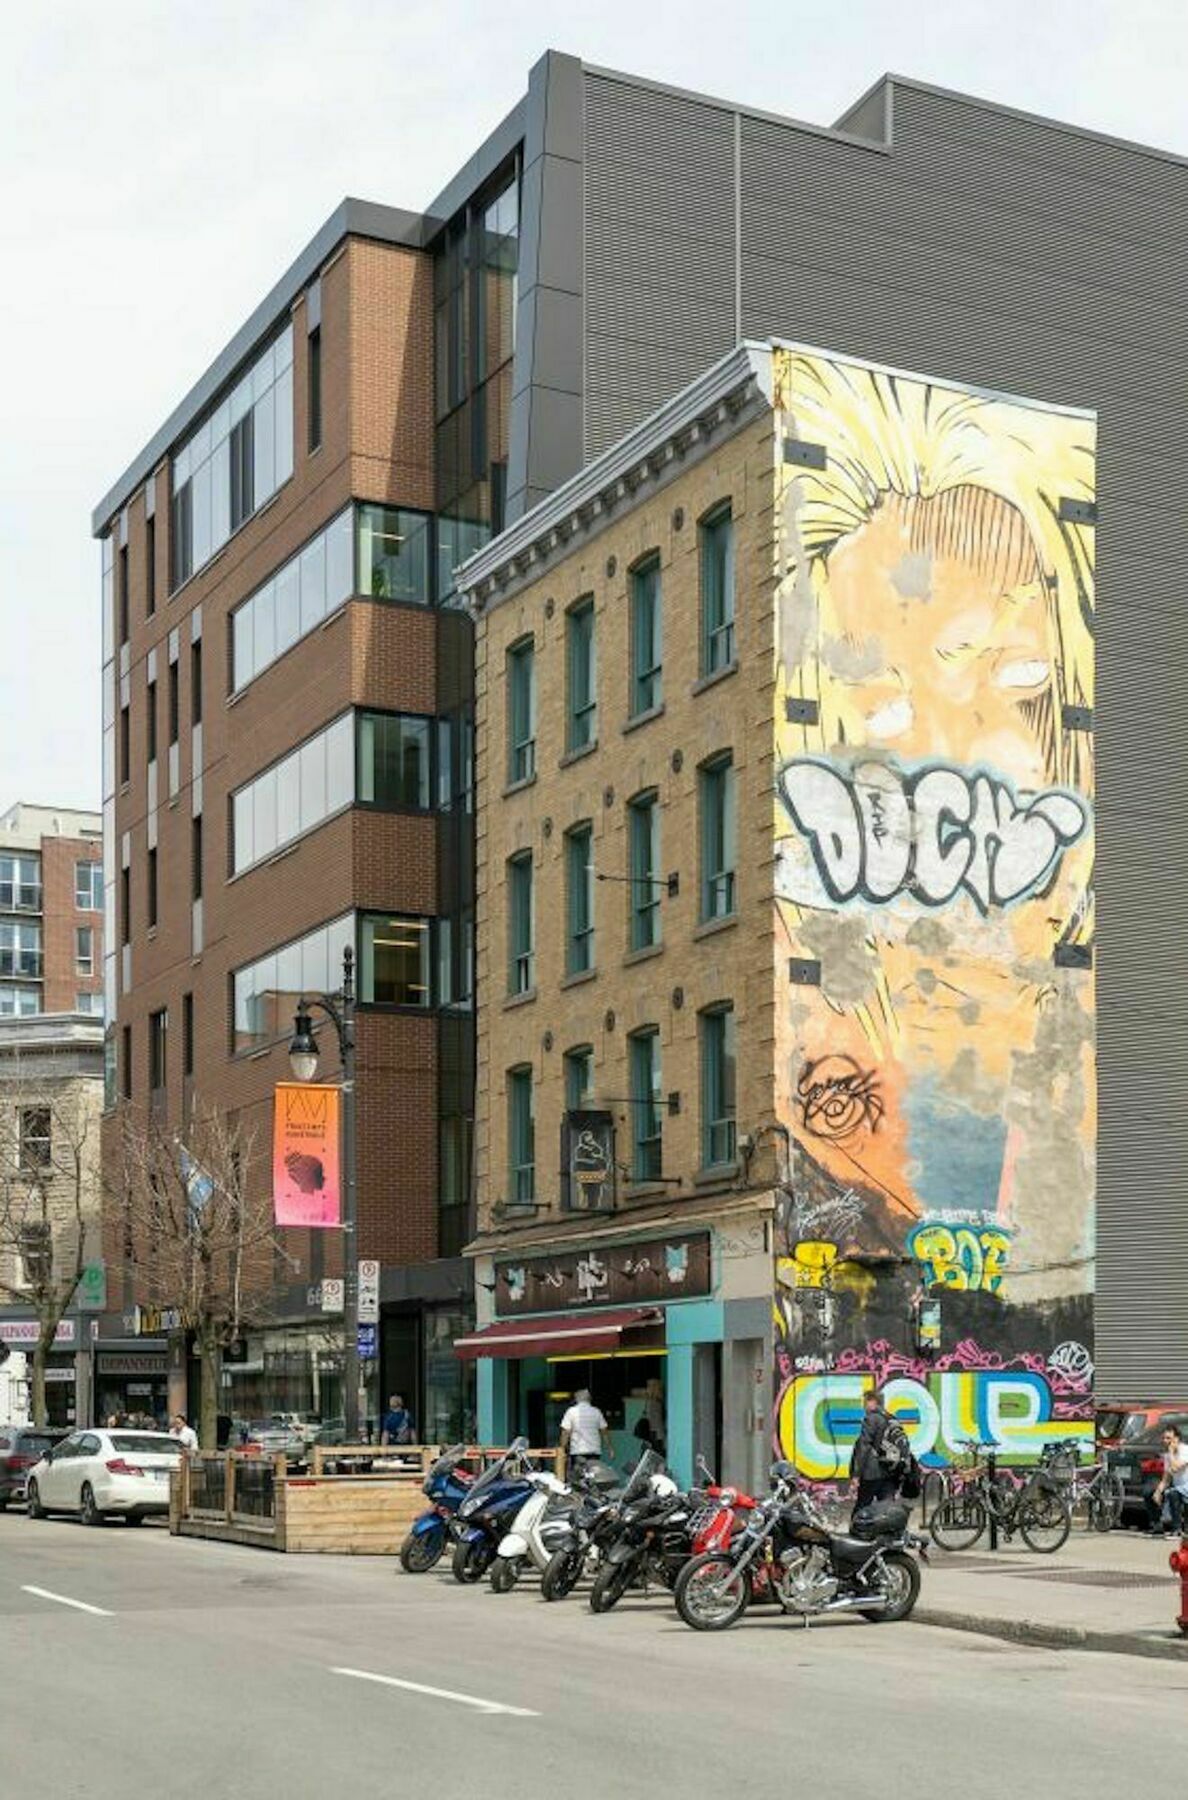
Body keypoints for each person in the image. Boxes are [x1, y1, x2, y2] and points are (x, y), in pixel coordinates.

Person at [849, 1389, 905, 1513]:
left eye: (865, 1402)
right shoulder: (893, 1419)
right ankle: (889, 1531)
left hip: (872, 1471)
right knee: (886, 1507)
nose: (863, 1406)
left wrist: (856, 1474)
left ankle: (856, 1531)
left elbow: (863, 1447)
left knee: (862, 1506)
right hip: (891, 1469)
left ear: (872, 1402)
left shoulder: (871, 1419)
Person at [560, 1389, 612, 1477]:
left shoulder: (571, 1411)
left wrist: (562, 1449)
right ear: (589, 1399)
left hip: (578, 1451)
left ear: (576, 1399)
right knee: (594, 1476)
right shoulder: (596, 1412)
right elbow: (604, 1431)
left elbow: (566, 1432)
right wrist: (610, 1448)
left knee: (579, 1477)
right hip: (594, 1452)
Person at [1149, 1424, 1188, 1535]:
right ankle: (1159, 1524)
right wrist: (1158, 1492)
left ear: (1176, 1439)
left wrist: (1171, 1453)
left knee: (1172, 1493)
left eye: (1168, 1438)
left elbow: (1175, 1467)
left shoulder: (1185, 1450)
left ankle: (1177, 1529)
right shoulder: (1168, 1456)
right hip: (1180, 1488)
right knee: (1152, 1492)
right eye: (1164, 1438)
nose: (1165, 1441)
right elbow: (1166, 1478)